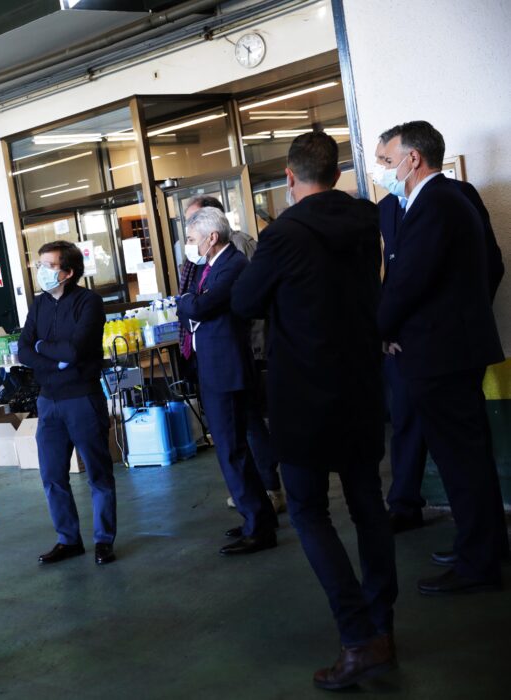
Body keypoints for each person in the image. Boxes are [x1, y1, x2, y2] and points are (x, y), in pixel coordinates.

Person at [232, 132, 397, 690]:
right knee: (368, 503)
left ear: (289, 175)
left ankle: (356, 637)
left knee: (307, 511)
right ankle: (382, 627)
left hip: (303, 394)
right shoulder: (366, 219)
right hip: (362, 386)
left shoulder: (283, 234)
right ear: (336, 172)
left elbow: (244, 301)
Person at [375, 121, 507, 594]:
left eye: (387, 161)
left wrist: (381, 330)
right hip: (452, 349)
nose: (382, 171)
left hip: (441, 353)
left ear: (413, 158)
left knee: (461, 461)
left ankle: (477, 563)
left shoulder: (435, 204)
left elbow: (408, 281)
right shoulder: (443, 200)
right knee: (468, 458)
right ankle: (484, 546)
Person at [176, 207, 278, 555]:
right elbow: (193, 305)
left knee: (232, 449)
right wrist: (190, 302)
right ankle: (259, 515)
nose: (188, 245)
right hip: (216, 367)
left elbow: (198, 307)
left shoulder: (232, 265)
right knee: (234, 447)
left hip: (227, 369)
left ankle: (258, 526)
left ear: (212, 237)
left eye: (191, 238)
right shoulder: (209, 266)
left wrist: (188, 301)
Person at [17, 240, 116, 566]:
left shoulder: (89, 302)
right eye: (40, 265)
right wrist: (49, 354)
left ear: (68, 272)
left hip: (82, 398)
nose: (41, 271)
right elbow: (24, 350)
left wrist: (43, 348)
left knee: (98, 474)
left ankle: (104, 541)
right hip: (48, 401)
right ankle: (68, 540)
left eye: (48, 266)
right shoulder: (39, 304)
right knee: (52, 475)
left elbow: (75, 351)